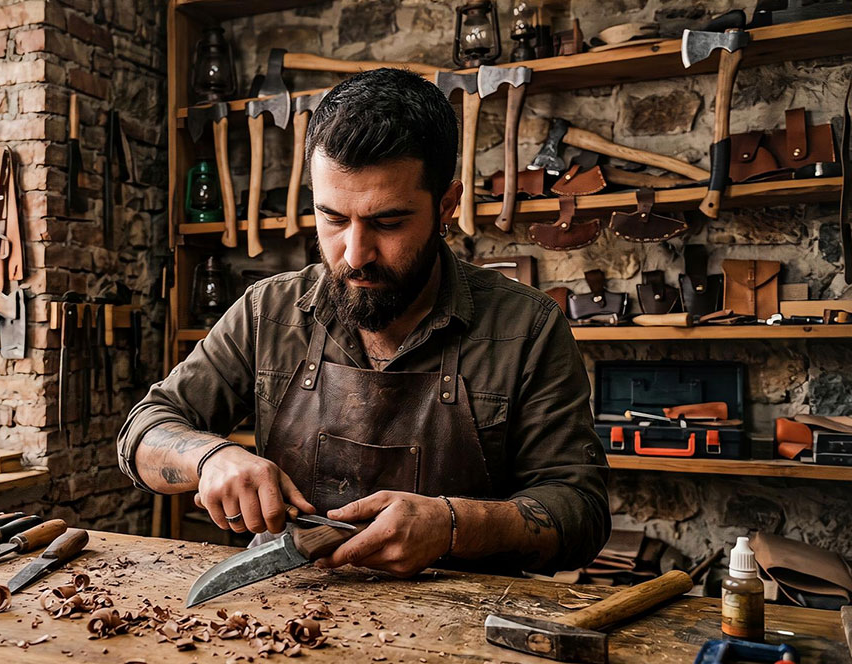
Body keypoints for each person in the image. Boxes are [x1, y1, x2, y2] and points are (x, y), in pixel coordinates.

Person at [118, 68, 609, 576]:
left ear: (446, 205)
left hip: (464, 634)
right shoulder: (269, 313)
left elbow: (581, 513)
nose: (354, 254)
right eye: (332, 218)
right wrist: (209, 458)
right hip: (288, 613)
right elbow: (141, 434)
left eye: (388, 222)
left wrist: (454, 524)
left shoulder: (527, 329)